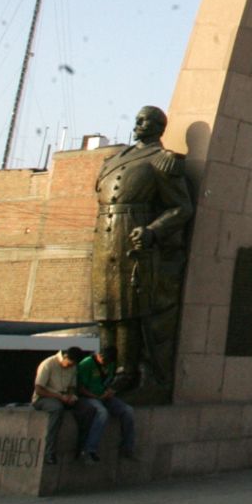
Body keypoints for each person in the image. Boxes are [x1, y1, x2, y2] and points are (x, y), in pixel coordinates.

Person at [93, 106, 194, 404]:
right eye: (136, 119)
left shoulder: (163, 161)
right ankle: (104, 365)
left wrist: (153, 231)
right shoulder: (114, 160)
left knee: (129, 308)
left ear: (160, 127)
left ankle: (127, 371)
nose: (137, 124)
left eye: (145, 120)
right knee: (104, 307)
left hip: (135, 239)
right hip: (106, 237)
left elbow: (182, 207)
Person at [33, 346, 95, 466]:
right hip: (45, 397)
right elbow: (39, 389)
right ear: (65, 357)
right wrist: (60, 397)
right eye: (69, 364)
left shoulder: (73, 368)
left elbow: (72, 386)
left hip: (65, 397)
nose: (70, 367)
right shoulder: (48, 364)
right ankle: (49, 452)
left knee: (89, 409)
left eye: (73, 365)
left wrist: (71, 396)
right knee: (56, 409)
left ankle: (81, 448)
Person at [76, 347, 138, 463]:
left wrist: (110, 391)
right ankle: (89, 450)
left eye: (108, 363)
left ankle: (127, 447)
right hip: (88, 397)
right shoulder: (86, 364)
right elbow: (80, 388)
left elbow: (109, 381)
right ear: (99, 356)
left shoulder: (110, 364)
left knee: (128, 411)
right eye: (104, 362)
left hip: (104, 396)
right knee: (102, 413)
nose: (106, 365)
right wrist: (95, 396)